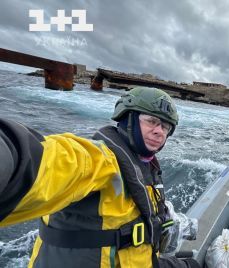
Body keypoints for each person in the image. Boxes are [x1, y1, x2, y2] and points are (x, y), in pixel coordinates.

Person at [0, 87, 200, 268]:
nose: (159, 132)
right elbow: (47, 161)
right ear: (127, 119)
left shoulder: (145, 168)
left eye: (165, 127)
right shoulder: (99, 160)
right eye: (151, 121)